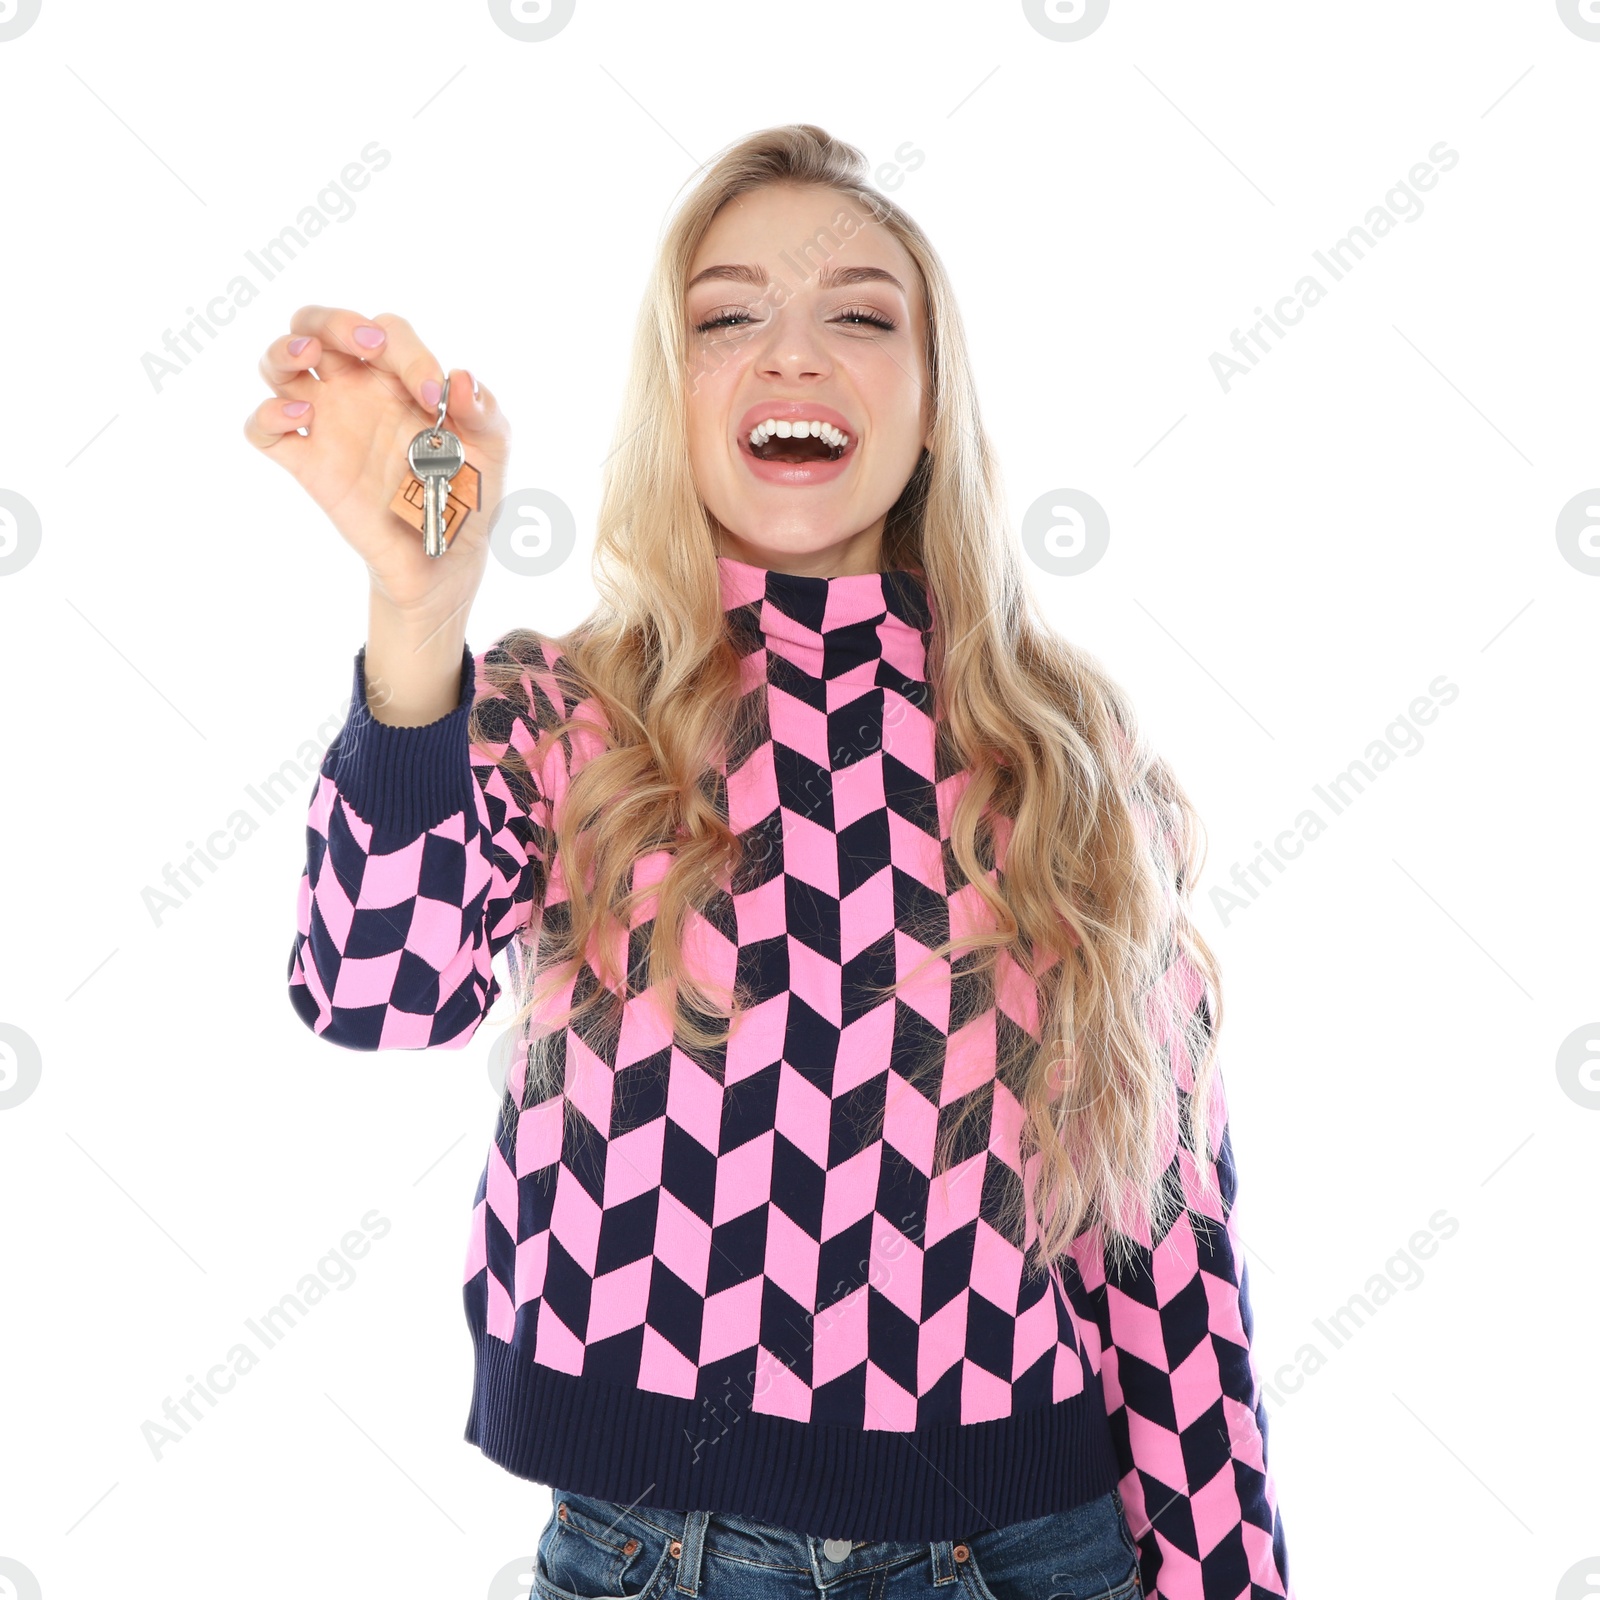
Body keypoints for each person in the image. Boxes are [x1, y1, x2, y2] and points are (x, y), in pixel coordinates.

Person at [248, 123, 1293, 1600]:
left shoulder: (1061, 752)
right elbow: (371, 989)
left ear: (933, 407)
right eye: (729, 316)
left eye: (860, 316)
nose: (793, 354)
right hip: (644, 1552)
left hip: (1023, 1557)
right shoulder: (568, 712)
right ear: (675, 405)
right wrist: (418, 610)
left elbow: (1168, 1244)